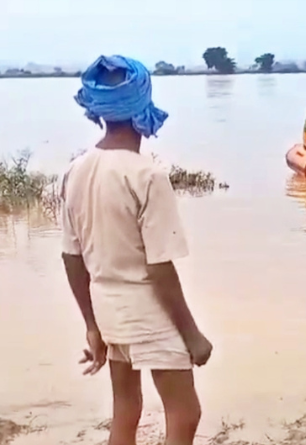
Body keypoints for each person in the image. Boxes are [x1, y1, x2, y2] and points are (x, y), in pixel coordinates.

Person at [61, 55, 212, 445]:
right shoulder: (147, 175)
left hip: (107, 307)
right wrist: (193, 335)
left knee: (126, 408)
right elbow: (160, 268)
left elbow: (72, 257)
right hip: (147, 310)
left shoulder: (77, 170)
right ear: (142, 103)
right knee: (185, 411)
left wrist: (92, 326)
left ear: (99, 111)